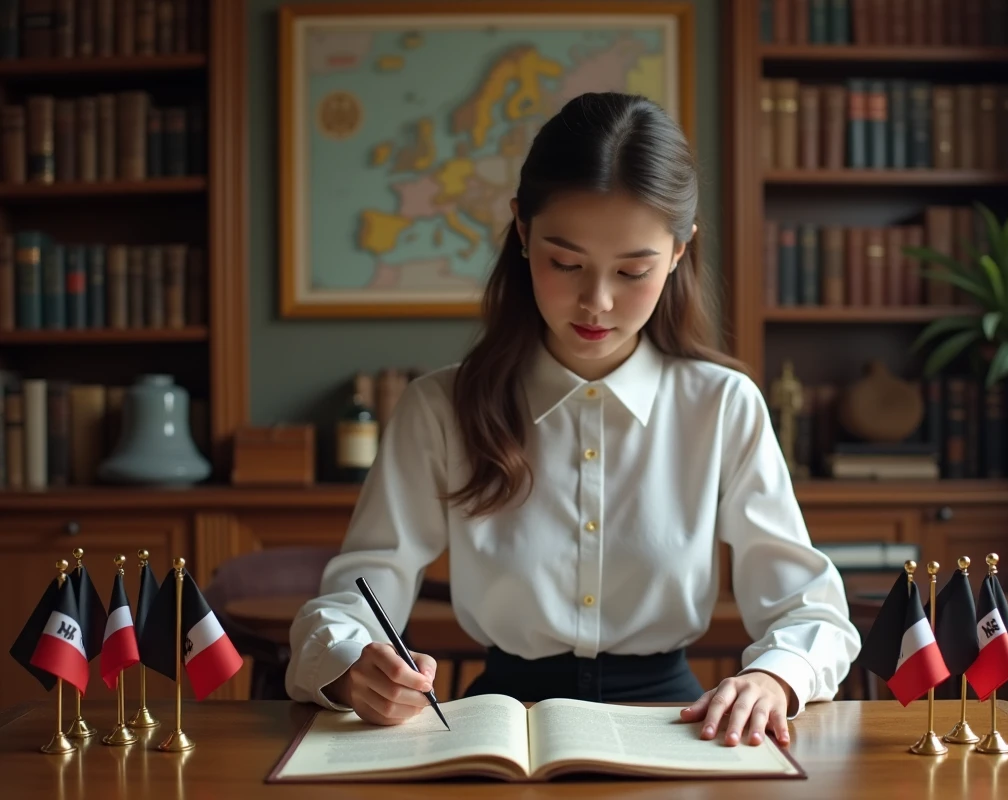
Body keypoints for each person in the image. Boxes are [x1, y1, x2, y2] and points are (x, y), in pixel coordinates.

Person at [285, 91, 861, 748]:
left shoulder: (721, 405)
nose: (598, 301)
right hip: (497, 729)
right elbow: (355, 596)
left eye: (633, 270)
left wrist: (774, 680)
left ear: (678, 253)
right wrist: (351, 664)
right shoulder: (440, 408)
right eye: (566, 262)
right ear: (523, 234)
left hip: (673, 729)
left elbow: (809, 608)